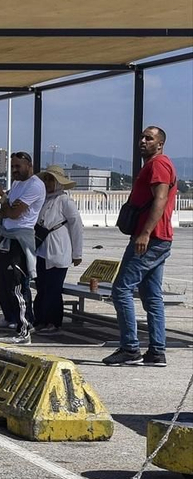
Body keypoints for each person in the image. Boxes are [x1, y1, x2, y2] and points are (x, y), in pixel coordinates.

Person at [104, 126, 178, 367]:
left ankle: (130, 348)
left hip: (151, 238)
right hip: (159, 238)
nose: (143, 141)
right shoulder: (153, 165)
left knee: (121, 290)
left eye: (150, 138)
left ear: (160, 144)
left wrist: (145, 233)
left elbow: (161, 198)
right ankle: (156, 351)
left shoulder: (158, 165)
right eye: (142, 137)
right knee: (151, 295)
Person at [0, 152, 45, 343]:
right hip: (8, 237)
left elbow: (13, 213)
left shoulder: (35, 185)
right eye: (12, 166)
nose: (14, 170)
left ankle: (24, 330)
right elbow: (6, 211)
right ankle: (13, 319)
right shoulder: (16, 184)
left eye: (18, 166)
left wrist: (5, 203)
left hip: (20, 240)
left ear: (29, 166)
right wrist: (6, 206)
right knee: (1, 280)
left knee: (17, 284)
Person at [32, 166, 85, 333]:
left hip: (58, 250)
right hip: (42, 250)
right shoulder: (44, 200)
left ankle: (53, 322)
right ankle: (40, 319)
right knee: (42, 287)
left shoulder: (65, 201)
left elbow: (77, 227)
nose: (47, 183)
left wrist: (77, 253)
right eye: (45, 180)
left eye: (50, 180)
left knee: (53, 289)